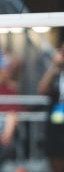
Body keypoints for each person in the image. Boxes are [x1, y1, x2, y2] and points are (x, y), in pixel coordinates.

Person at [40, 44, 64, 172]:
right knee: (55, 160)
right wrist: (55, 65)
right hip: (56, 124)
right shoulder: (56, 73)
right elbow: (42, 89)